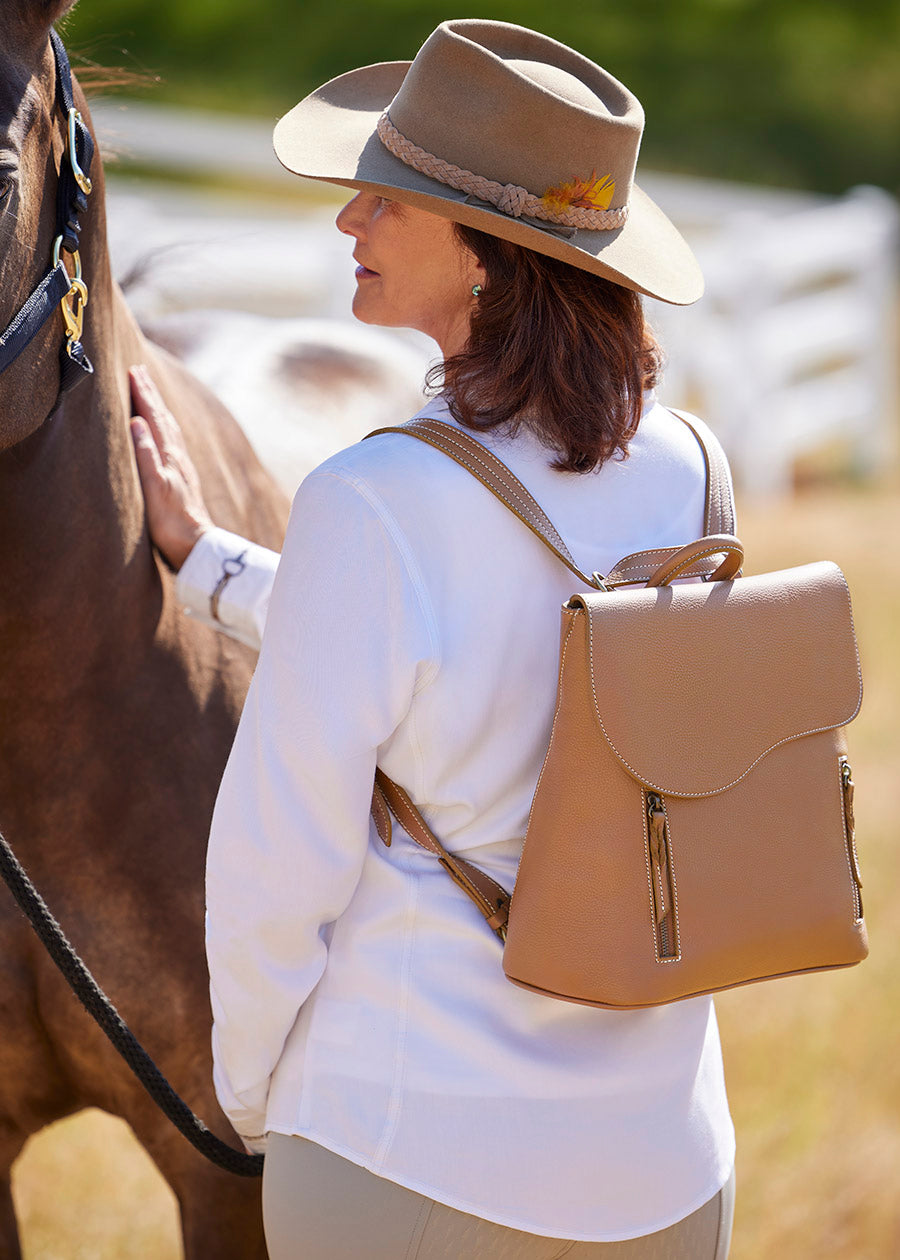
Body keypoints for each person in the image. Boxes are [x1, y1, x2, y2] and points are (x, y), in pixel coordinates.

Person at [130, 19, 736, 1259]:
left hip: (410, 1160)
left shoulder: (374, 501)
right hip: (669, 1169)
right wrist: (209, 562)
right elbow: (501, 644)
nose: (349, 222)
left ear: (487, 257)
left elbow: (273, 872)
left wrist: (257, 1099)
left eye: (386, 199)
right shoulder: (692, 469)